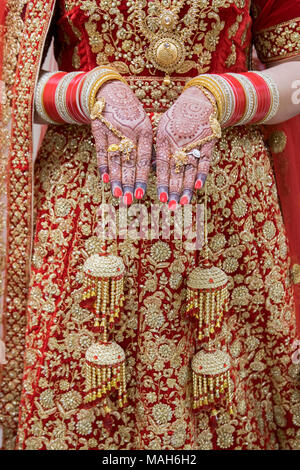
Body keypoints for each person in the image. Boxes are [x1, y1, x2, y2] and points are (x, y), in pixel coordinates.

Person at [1, 0, 300, 450]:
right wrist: (89, 94)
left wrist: (220, 98)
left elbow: (295, 68)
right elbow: (10, 80)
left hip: (224, 205)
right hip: (89, 204)